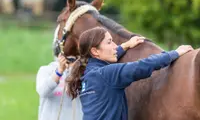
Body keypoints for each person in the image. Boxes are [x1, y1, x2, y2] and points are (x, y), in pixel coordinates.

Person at [66, 27, 194, 120]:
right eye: (109, 42)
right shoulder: (106, 74)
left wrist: (126, 45)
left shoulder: (88, 75)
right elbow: (142, 66)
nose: (115, 46)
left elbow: (107, 60)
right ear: (95, 51)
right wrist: (175, 53)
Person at [36, 26, 83, 120]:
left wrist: (76, 70)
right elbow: (43, 91)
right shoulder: (46, 70)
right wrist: (59, 72)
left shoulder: (83, 71)